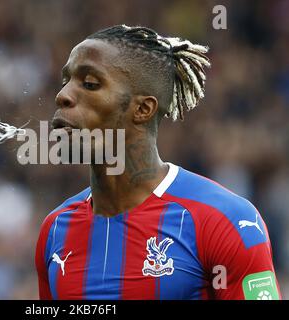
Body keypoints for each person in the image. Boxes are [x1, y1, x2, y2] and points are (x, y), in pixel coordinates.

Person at [35, 25, 281, 300]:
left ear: (143, 109)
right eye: (65, 80)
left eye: (90, 83)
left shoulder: (225, 220)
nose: (62, 95)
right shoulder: (55, 229)